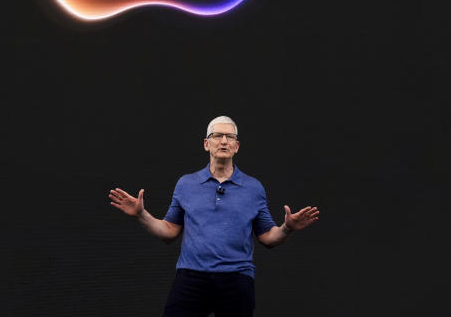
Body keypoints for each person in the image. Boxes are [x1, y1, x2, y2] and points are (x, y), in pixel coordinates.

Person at [108, 115, 319, 316]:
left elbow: (268, 238)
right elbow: (169, 231)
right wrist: (141, 214)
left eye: (230, 137)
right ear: (206, 144)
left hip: (236, 279)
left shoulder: (253, 188)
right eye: (217, 136)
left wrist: (287, 228)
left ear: (237, 146)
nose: (224, 141)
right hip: (191, 277)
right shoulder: (186, 184)